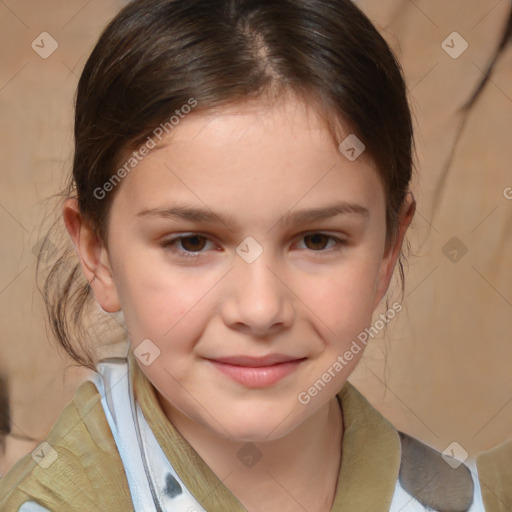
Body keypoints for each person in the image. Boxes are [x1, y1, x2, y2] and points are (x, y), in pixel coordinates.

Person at [0, 0, 501, 510]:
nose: (261, 310)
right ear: (97, 254)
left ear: (388, 249)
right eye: (192, 242)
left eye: (317, 240)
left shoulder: (458, 496)